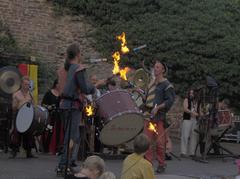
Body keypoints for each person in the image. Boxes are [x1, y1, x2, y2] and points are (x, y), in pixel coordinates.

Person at [56, 43, 95, 176]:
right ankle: (63, 165)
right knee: (71, 137)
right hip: (73, 106)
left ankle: (69, 162)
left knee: (73, 136)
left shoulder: (63, 69)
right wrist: (94, 86)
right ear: (78, 54)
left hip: (64, 105)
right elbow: (85, 88)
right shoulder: (78, 68)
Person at [143, 60, 175, 173]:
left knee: (160, 143)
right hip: (148, 116)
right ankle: (148, 164)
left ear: (163, 70)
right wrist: (140, 92)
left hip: (159, 118)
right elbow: (146, 99)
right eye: (154, 67)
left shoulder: (167, 85)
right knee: (147, 142)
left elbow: (170, 101)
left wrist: (158, 107)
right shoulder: (151, 83)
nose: (155, 69)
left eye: (157, 67)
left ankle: (162, 164)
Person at [10, 76, 36, 158]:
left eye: (28, 84)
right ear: (21, 84)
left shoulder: (30, 95)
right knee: (17, 133)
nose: (27, 86)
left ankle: (28, 152)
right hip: (19, 114)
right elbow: (13, 107)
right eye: (25, 84)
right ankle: (14, 151)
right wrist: (17, 104)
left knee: (29, 133)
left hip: (28, 116)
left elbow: (34, 105)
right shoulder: (16, 94)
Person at [41, 79, 63, 154]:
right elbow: (43, 104)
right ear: (56, 84)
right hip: (50, 116)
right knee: (49, 131)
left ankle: (57, 148)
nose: (60, 85)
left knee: (58, 132)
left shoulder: (62, 94)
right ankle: (46, 147)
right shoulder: (49, 93)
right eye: (59, 84)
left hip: (59, 116)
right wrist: (49, 106)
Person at [180, 89, 199, 158]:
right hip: (187, 119)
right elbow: (185, 108)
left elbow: (198, 109)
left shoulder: (197, 101)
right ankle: (183, 152)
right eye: (190, 93)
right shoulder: (186, 99)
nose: (191, 94)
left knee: (194, 136)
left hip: (195, 120)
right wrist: (192, 112)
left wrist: (199, 113)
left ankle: (192, 153)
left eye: (192, 93)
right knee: (185, 135)